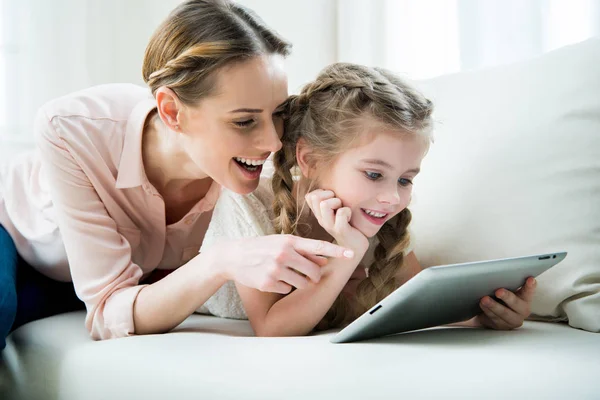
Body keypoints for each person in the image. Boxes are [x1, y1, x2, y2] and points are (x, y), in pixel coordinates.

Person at [0, 0, 354, 349]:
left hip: (112, 283)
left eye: (279, 113)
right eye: (244, 121)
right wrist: (219, 261)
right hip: (19, 247)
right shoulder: (73, 128)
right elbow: (108, 313)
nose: (273, 142)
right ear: (171, 111)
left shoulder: (263, 164)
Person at [196, 62, 537, 336]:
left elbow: (416, 302)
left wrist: (484, 317)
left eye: (405, 179)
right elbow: (271, 328)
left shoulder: (376, 212)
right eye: (374, 174)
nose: (391, 197)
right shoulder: (251, 201)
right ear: (310, 160)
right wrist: (348, 252)